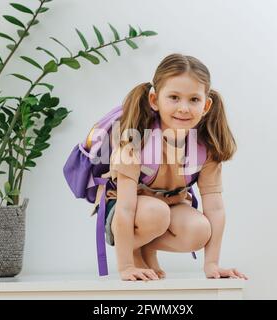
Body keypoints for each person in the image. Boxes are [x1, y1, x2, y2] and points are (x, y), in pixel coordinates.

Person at [96, 53, 248, 281]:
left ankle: (146, 247)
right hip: (128, 211)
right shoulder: (135, 141)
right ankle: (134, 253)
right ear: (155, 100)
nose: (184, 108)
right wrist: (126, 266)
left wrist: (212, 264)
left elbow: (215, 208)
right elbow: (126, 208)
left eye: (194, 100)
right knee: (156, 213)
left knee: (199, 230)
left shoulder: (206, 146)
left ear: (206, 105)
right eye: (174, 97)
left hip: (170, 207)